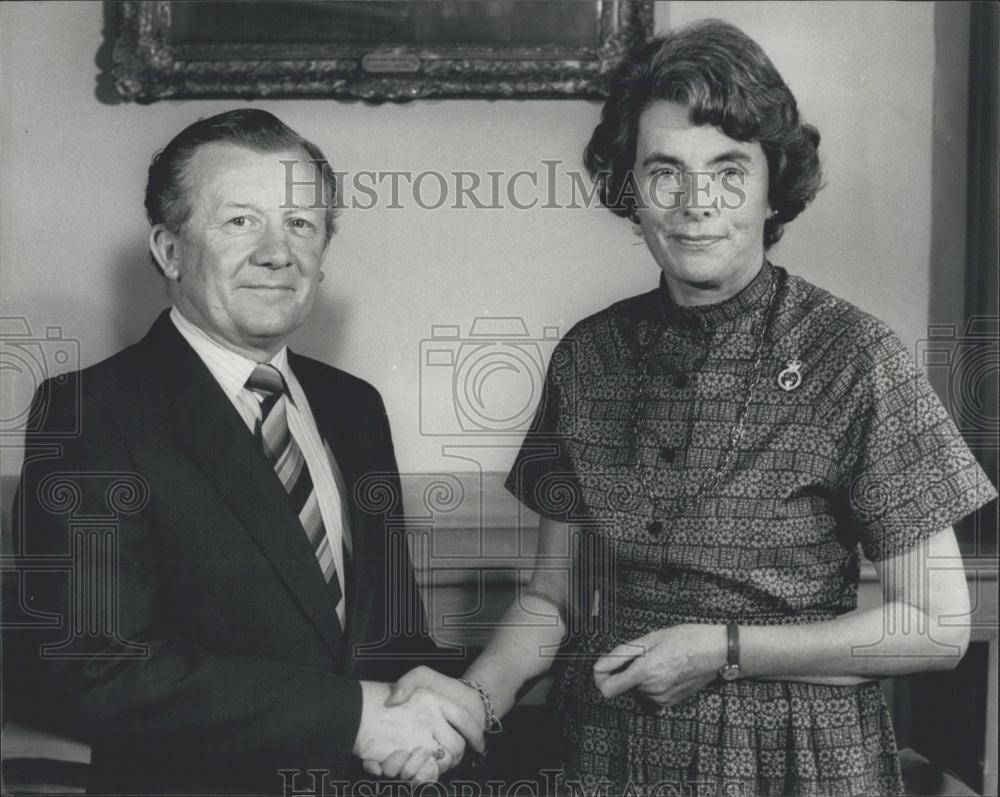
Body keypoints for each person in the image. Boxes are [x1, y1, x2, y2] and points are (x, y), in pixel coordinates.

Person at [382, 20, 998, 796]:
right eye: (664, 171)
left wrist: (726, 647)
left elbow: (935, 624)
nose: (696, 202)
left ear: (775, 183)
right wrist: (473, 699)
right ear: (629, 189)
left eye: (729, 169)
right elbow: (554, 599)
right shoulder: (587, 357)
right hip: (610, 753)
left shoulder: (856, 356)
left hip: (792, 761)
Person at [9, 109, 482, 796]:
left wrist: (451, 705)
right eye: (240, 221)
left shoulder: (354, 406)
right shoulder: (91, 413)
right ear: (169, 251)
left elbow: (385, 636)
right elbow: (96, 667)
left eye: (300, 224)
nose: (277, 252)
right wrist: (354, 718)